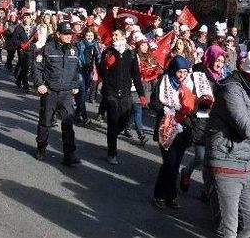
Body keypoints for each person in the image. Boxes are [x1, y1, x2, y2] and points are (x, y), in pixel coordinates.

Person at [205, 50, 250, 238]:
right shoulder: (232, 90)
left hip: (245, 164)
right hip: (225, 161)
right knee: (229, 228)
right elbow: (247, 129)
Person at [153, 55, 214, 209]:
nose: (182, 75)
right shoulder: (164, 81)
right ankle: (159, 194)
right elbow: (153, 103)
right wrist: (166, 110)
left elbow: (198, 108)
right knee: (169, 163)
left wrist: (195, 108)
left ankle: (171, 197)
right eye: (179, 72)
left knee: (175, 165)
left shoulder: (191, 84)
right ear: (173, 70)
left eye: (185, 72)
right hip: (166, 127)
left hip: (183, 129)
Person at [32, 21, 81, 166]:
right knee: (45, 122)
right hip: (50, 91)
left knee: (68, 123)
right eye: (65, 34)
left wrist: (76, 85)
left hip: (66, 93)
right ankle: (41, 147)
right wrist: (39, 84)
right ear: (58, 34)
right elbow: (37, 68)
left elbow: (76, 70)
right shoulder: (46, 49)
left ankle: (69, 155)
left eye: (70, 34)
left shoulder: (74, 50)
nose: (68, 37)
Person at [180, 45, 227, 194]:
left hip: (217, 121)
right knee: (200, 156)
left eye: (221, 61)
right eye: (217, 60)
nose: (219, 64)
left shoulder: (224, 77)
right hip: (200, 118)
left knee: (212, 159)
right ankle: (186, 173)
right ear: (210, 58)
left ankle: (208, 191)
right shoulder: (198, 75)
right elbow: (186, 93)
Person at [97, 29, 146, 165]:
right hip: (111, 92)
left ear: (123, 36)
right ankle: (112, 152)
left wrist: (141, 94)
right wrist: (105, 64)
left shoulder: (130, 53)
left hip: (125, 93)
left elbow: (136, 75)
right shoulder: (108, 51)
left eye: (116, 35)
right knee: (112, 121)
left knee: (124, 121)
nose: (114, 36)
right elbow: (101, 73)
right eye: (113, 35)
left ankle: (112, 135)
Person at [76, 28, 100, 125]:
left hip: (89, 71)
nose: (90, 37)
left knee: (83, 93)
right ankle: (85, 117)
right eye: (88, 35)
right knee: (82, 93)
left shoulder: (95, 45)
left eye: (91, 35)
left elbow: (98, 58)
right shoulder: (79, 44)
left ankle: (77, 113)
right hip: (79, 70)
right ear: (84, 36)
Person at [12, 10, 36, 91]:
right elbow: (14, 39)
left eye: (28, 18)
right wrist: (20, 44)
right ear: (22, 19)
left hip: (31, 49)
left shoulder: (34, 27)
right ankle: (26, 85)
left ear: (30, 19)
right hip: (22, 50)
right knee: (24, 67)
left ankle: (18, 79)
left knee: (27, 67)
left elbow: (35, 40)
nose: (26, 19)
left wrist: (36, 39)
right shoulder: (19, 27)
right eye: (24, 18)